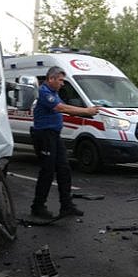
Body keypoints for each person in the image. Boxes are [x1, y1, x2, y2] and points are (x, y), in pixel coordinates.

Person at [30, 66, 99, 219]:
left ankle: (66, 205)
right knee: (47, 171)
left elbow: (65, 109)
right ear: (51, 79)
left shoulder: (54, 92)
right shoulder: (44, 92)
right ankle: (38, 206)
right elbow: (60, 107)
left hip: (54, 135)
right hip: (44, 136)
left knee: (64, 169)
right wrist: (86, 111)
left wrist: (85, 113)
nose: (62, 83)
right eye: (60, 80)